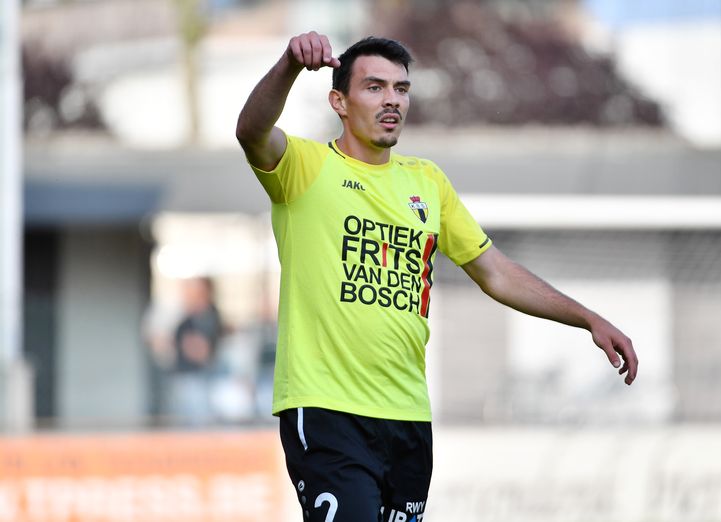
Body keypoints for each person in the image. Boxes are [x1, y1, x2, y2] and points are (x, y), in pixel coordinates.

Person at [236, 31, 638, 522]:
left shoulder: (426, 181)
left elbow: (495, 271)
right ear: (339, 102)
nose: (392, 100)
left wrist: (588, 318)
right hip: (328, 411)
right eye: (374, 87)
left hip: (407, 418)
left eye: (401, 89)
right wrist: (289, 65)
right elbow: (251, 131)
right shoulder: (304, 167)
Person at [168, 276, 223, 427]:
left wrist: (192, 345)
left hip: (202, 379)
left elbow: (203, 352)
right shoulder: (186, 320)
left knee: (200, 425)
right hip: (184, 378)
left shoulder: (210, 317)